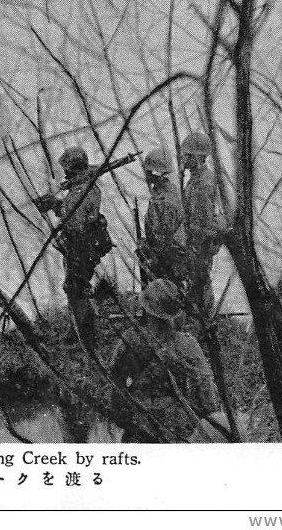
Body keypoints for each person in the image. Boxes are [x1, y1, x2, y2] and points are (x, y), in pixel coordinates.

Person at [107, 279, 222, 443]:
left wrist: (125, 418)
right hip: (179, 427)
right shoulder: (187, 344)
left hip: (141, 422)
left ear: (145, 309)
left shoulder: (130, 339)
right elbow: (207, 395)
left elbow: (114, 384)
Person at [35, 146, 112, 345]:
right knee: (77, 287)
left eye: (67, 169)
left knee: (75, 288)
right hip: (85, 244)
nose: (65, 173)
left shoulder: (80, 191)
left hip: (81, 246)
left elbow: (75, 222)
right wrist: (57, 205)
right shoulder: (86, 186)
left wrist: (55, 206)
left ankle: (84, 335)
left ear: (73, 169)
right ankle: (80, 330)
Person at [180, 131, 225, 315]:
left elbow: (202, 223)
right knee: (198, 282)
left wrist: (190, 243)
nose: (183, 158)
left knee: (200, 281)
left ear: (197, 157)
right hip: (198, 243)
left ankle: (206, 319)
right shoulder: (198, 178)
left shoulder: (202, 184)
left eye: (187, 155)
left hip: (199, 244)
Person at [138, 147, 187, 287]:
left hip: (168, 263)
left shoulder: (163, 201)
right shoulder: (168, 195)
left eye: (148, 171)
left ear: (156, 173)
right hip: (172, 260)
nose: (146, 175)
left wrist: (147, 249)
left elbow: (161, 239)